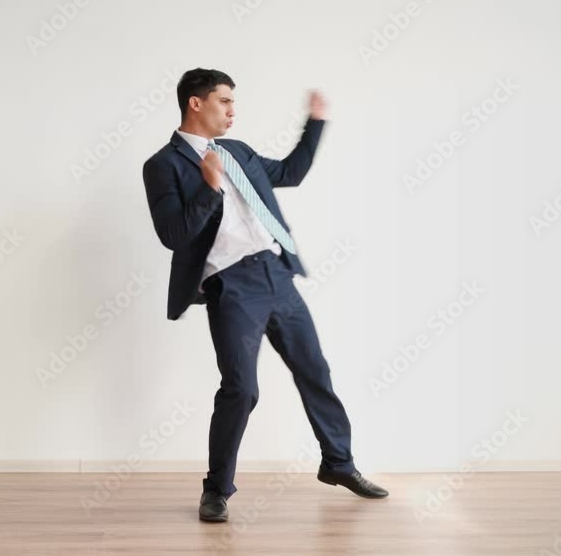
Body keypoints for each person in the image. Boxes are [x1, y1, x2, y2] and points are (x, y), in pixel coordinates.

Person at [142, 68, 388, 523]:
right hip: (232, 286)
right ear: (195, 104)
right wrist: (209, 187)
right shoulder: (163, 165)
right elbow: (174, 235)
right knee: (241, 388)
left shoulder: (236, 150)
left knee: (315, 371)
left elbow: (290, 174)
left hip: (277, 273)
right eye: (224, 101)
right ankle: (216, 490)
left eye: (234, 102)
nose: (233, 110)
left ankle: (339, 464)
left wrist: (314, 123)